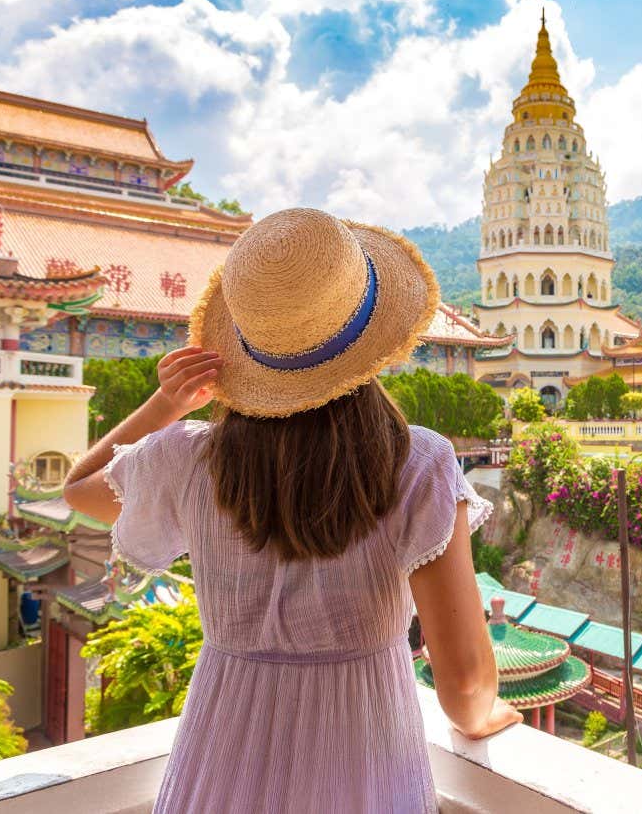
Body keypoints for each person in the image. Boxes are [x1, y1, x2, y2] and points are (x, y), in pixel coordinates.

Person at [65, 208, 521, 812]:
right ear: (372, 344)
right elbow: (463, 686)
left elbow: (79, 487)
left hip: (217, 757)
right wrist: (488, 713)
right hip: (363, 760)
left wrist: (165, 405)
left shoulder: (189, 459)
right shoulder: (418, 464)